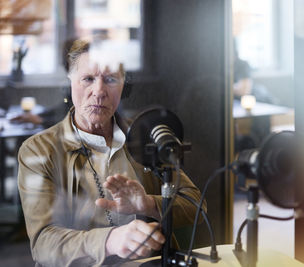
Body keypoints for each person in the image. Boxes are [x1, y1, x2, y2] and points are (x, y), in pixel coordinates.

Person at [17, 38, 203, 266]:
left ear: (124, 86)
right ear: (70, 83)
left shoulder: (144, 136)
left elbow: (195, 204)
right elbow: (43, 244)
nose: (99, 91)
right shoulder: (38, 150)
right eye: (88, 79)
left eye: (110, 80)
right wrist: (109, 240)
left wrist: (148, 204)